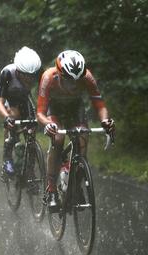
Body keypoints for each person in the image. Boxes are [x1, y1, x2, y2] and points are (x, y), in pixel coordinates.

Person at [36, 50, 115, 209]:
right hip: (55, 109)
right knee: (58, 139)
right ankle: (51, 189)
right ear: (59, 73)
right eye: (68, 80)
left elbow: (99, 104)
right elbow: (40, 113)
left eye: (76, 81)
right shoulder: (48, 77)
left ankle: (75, 184)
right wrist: (47, 124)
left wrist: (105, 121)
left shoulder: (87, 77)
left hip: (75, 108)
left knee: (82, 140)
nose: (72, 85)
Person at [0, 46, 42, 178]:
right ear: (18, 70)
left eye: (32, 76)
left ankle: (30, 170)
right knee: (13, 116)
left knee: (31, 133)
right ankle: (7, 158)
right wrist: (6, 118)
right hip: (8, 96)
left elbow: (44, 96)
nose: (29, 79)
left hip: (23, 97)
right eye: (25, 75)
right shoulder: (8, 73)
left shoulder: (39, 72)